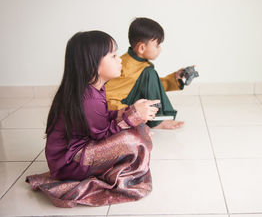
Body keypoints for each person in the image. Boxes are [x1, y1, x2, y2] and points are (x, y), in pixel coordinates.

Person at [26, 30, 159, 208]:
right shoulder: (88, 98)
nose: (120, 60)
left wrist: (127, 112)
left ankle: (117, 164)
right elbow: (102, 136)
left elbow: (102, 118)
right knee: (132, 139)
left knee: (140, 129)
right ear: (93, 63)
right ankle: (113, 174)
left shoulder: (94, 88)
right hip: (70, 163)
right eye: (113, 56)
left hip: (76, 153)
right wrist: (132, 116)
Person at [106, 17, 185, 129]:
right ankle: (157, 121)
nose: (160, 49)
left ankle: (156, 118)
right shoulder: (124, 67)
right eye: (157, 45)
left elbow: (152, 86)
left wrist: (175, 78)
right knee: (149, 73)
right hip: (120, 108)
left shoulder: (140, 64)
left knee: (149, 74)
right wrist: (129, 112)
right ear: (142, 48)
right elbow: (108, 96)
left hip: (129, 102)